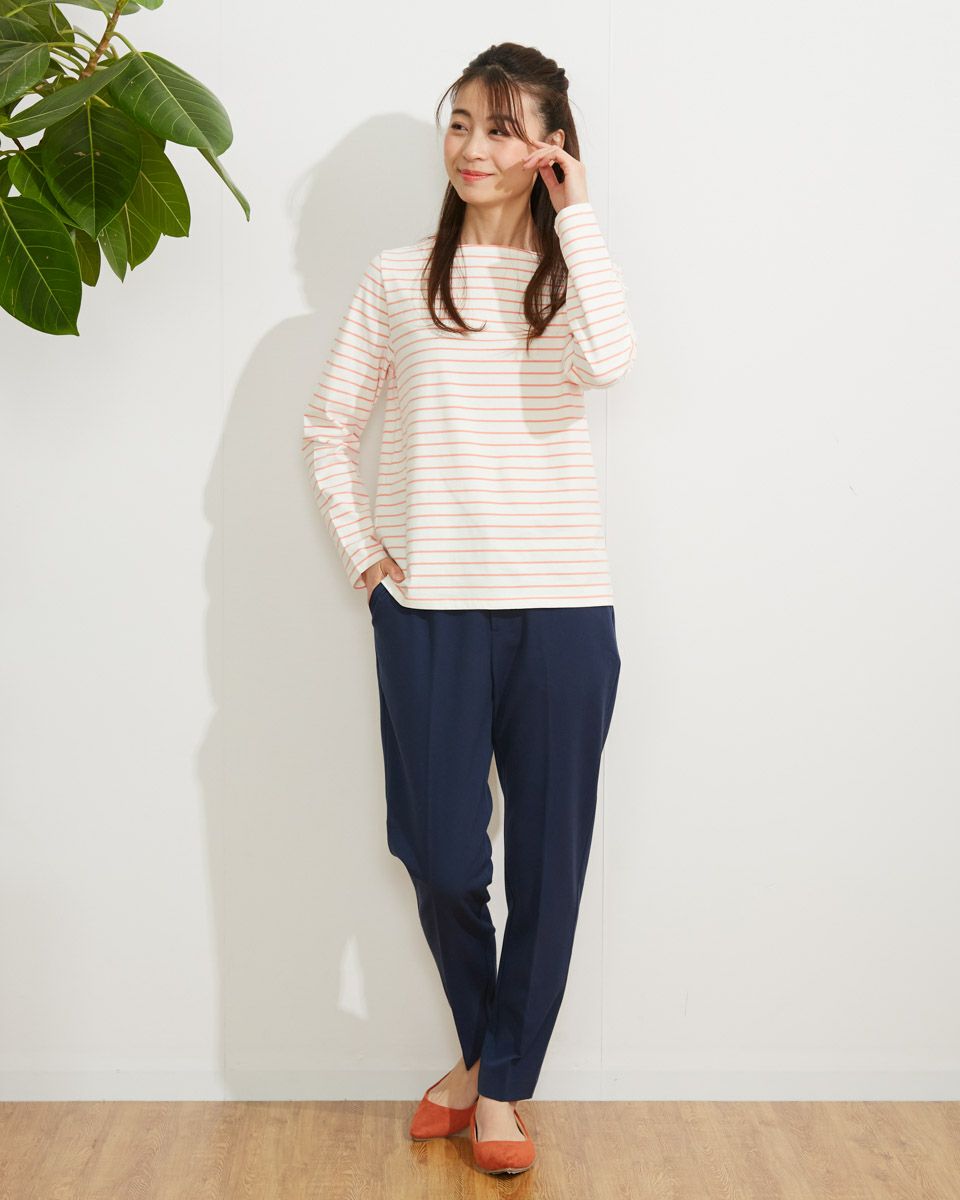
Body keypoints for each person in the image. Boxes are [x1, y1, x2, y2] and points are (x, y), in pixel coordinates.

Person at [303, 42, 636, 1176]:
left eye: (502, 128)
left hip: (564, 611)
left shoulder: (572, 276)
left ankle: (494, 1091)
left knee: (549, 865)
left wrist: (577, 217)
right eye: (460, 123)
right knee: (442, 856)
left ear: (549, 146)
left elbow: (614, 361)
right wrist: (368, 561)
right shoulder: (398, 277)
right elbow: (328, 428)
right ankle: (489, 1061)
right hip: (431, 609)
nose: (473, 148)